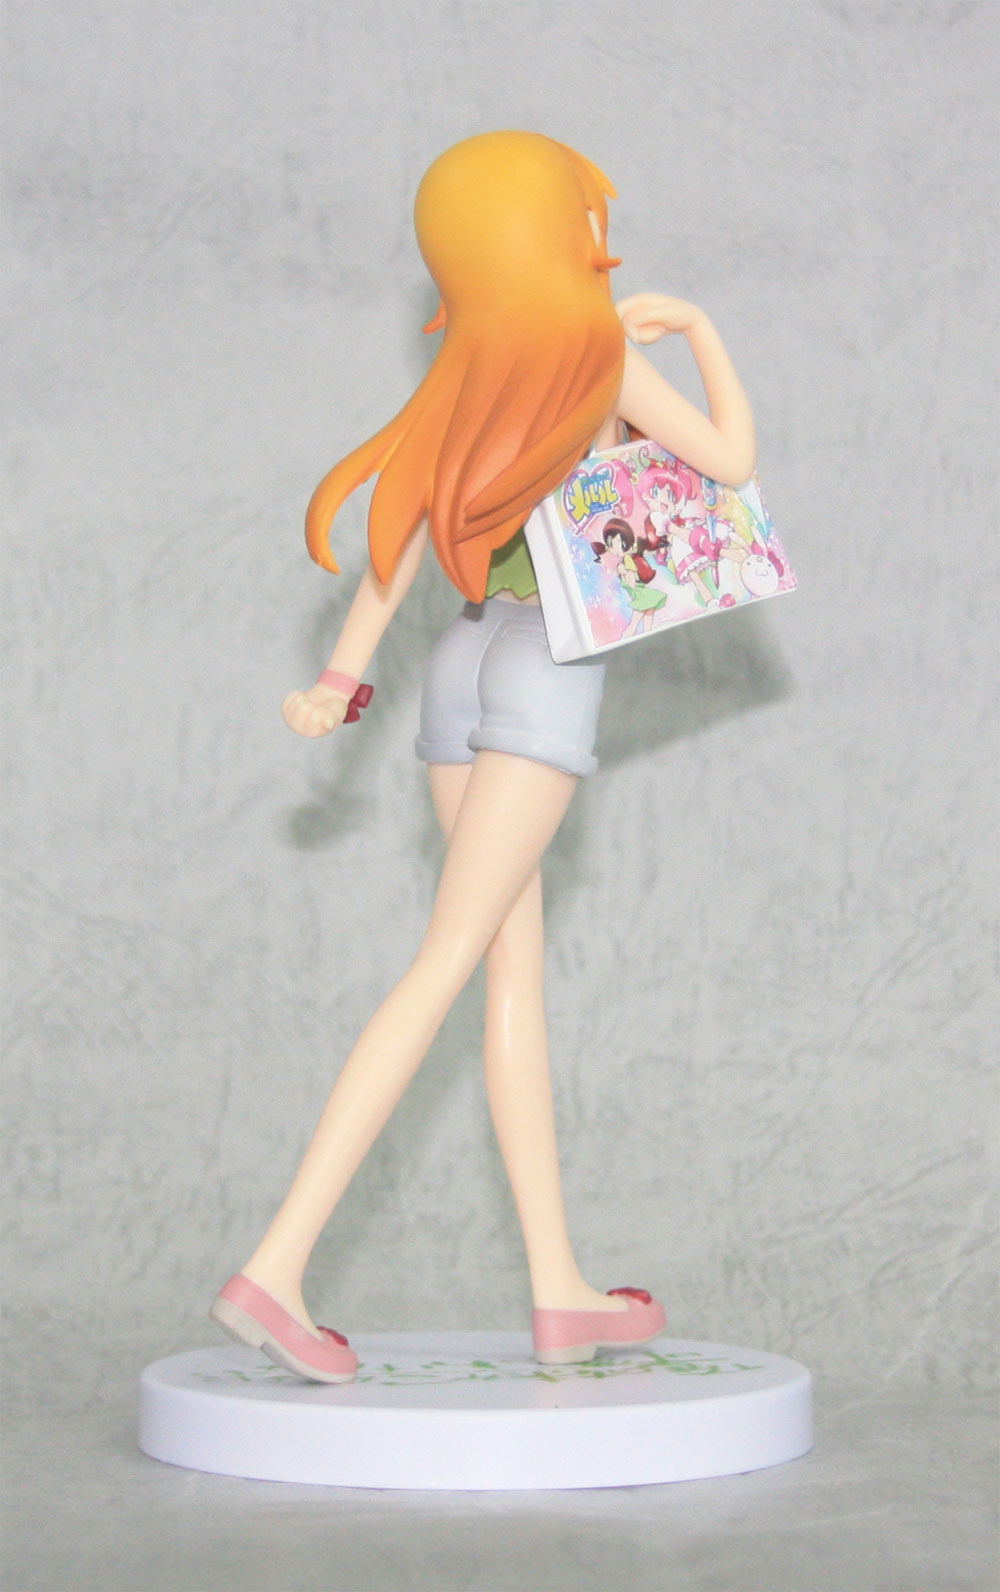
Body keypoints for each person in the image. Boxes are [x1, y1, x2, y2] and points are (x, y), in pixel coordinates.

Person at [210, 131, 756, 1381]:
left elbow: (398, 540)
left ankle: (558, 1286)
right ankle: (277, 1265)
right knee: (449, 960)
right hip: (546, 663)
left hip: (458, 662)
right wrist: (701, 330)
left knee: (512, 970)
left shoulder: (468, 365)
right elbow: (729, 463)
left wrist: (340, 678)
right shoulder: (599, 351)